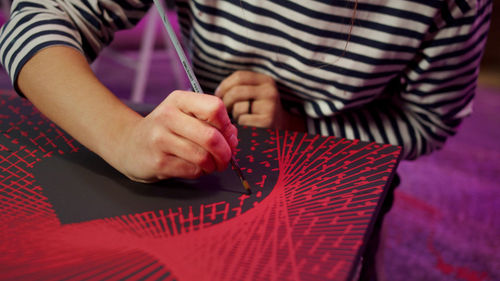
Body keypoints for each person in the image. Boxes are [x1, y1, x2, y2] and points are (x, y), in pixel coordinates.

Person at [0, 0, 492, 279]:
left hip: (343, 178)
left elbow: (428, 122)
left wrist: (295, 128)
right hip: (210, 173)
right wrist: (121, 133)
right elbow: (36, 20)